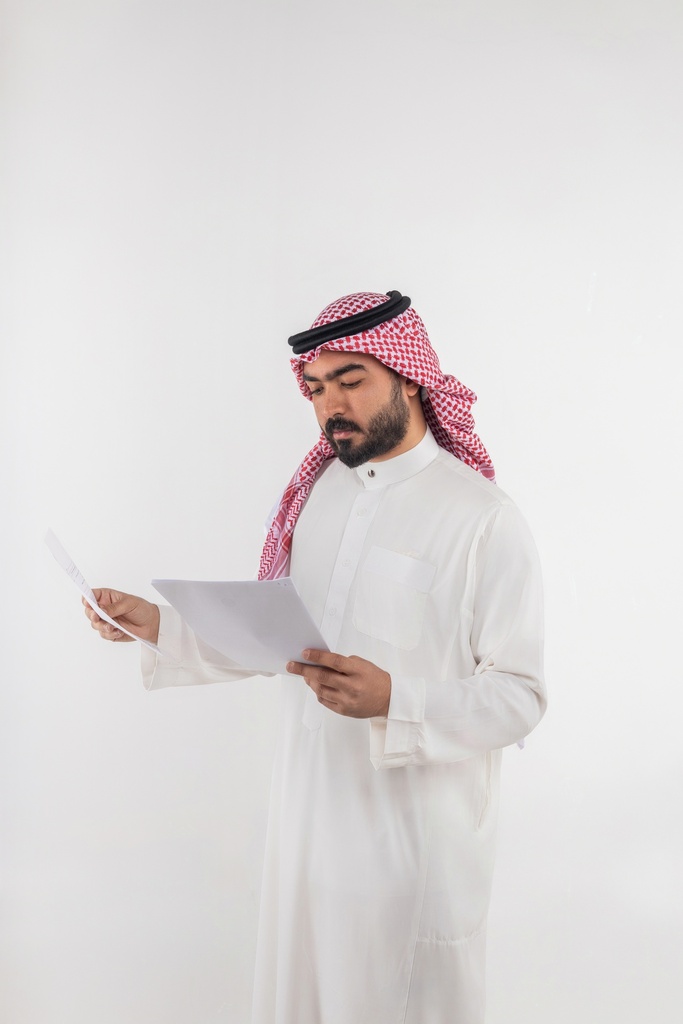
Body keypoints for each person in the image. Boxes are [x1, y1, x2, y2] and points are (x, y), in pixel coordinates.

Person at [85, 290, 546, 1024]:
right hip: (306, 829)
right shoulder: (321, 496)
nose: (330, 404)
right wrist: (161, 628)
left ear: (409, 376)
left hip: (413, 849)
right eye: (315, 387)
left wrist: (395, 698)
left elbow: (520, 696)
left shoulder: (481, 519)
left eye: (351, 380)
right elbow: (286, 642)